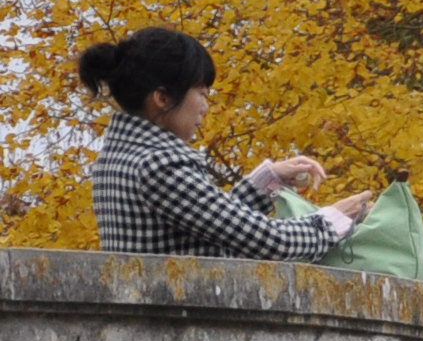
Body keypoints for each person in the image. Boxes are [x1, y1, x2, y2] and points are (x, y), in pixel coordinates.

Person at [79, 26, 352, 262]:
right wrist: (332, 220)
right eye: (201, 94)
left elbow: (209, 222)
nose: (205, 108)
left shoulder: (120, 156)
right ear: (161, 98)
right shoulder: (159, 165)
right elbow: (270, 242)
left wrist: (270, 179)